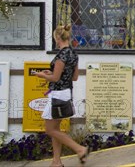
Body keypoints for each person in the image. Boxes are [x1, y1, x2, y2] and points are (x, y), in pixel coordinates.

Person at [36, 24, 90, 167]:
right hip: (66, 93)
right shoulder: (73, 53)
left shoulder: (62, 55)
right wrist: (53, 74)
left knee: (50, 130)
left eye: (55, 38)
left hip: (57, 94)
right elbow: (75, 77)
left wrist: (42, 75)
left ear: (58, 38)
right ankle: (56, 161)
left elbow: (55, 78)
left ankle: (80, 149)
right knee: (56, 129)